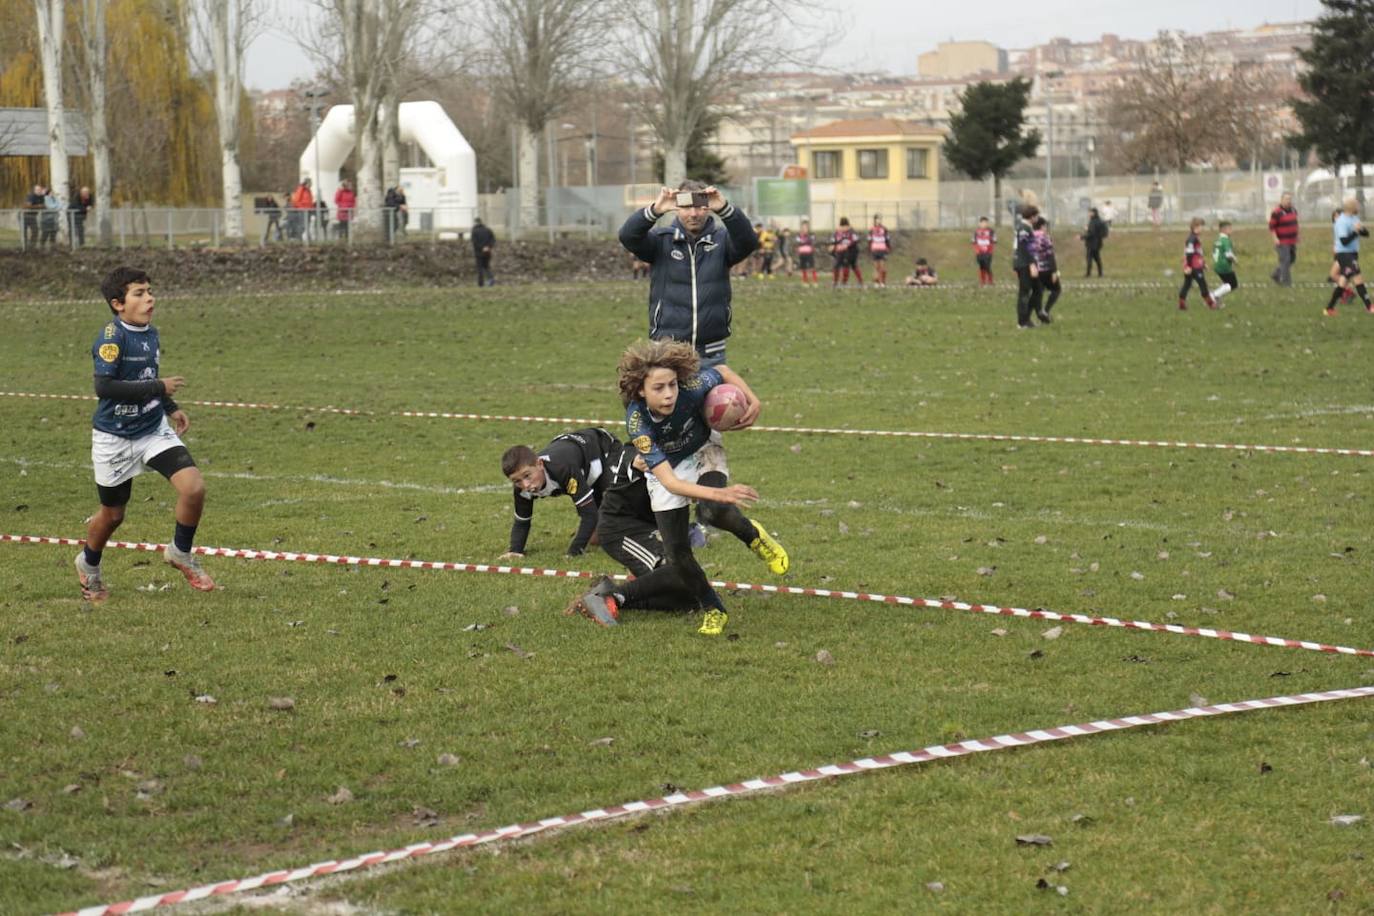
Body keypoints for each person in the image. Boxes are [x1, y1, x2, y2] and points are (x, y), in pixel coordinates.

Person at [566, 339, 788, 636]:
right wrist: (721, 492)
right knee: (678, 553)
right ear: (640, 390)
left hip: (702, 451)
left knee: (713, 511)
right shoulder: (638, 424)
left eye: (672, 384)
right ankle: (713, 609)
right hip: (667, 468)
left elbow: (722, 370)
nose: (669, 394)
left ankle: (754, 537)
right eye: (659, 388)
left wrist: (754, 400)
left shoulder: (692, 387)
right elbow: (670, 482)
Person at [74, 267, 215, 602]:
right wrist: (159, 387)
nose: (149, 298)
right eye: (139, 293)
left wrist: (169, 404)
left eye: (149, 291)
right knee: (112, 515)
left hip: (152, 430)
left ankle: (180, 552)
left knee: (193, 488)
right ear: (117, 303)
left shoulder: (150, 334)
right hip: (115, 438)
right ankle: (88, 565)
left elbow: (148, 375)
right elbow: (104, 387)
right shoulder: (112, 337)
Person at [618, 179, 758, 367]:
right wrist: (655, 210)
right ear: (677, 208)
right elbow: (628, 236)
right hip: (667, 348)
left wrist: (724, 208)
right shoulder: (661, 241)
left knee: (715, 397)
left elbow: (748, 241)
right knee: (670, 398)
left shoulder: (722, 241)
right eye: (686, 207)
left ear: (708, 208)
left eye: (700, 207)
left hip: (711, 351)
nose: (693, 214)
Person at [498, 428, 638, 562]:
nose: (526, 485)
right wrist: (515, 550)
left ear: (539, 464)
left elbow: (589, 515)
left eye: (527, 476)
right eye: (517, 481)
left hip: (604, 448)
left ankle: (649, 526)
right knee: (596, 538)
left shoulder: (563, 469)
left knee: (615, 505)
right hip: (579, 460)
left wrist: (573, 552)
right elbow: (522, 521)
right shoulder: (521, 488)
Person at [1324, 197, 1372, 316]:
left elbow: (1366, 234)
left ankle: (1329, 309)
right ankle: (1370, 306)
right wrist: (1355, 232)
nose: (1359, 206)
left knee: (1342, 282)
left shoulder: (1354, 218)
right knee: (1358, 278)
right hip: (1344, 254)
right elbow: (1344, 241)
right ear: (1351, 207)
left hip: (1353, 254)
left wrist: (1360, 230)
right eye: (1356, 204)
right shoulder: (1341, 221)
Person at [1178, 217, 1217, 311]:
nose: (1202, 229)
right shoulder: (1192, 239)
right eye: (1201, 226)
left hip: (1194, 265)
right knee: (1202, 284)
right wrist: (1189, 266)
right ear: (1195, 227)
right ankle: (1211, 304)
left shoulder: (1194, 238)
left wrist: (1203, 264)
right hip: (1194, 267)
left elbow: (1197, 253)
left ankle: (1181, 304)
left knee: (1187, 284)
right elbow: (1189, 253)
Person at [1012, 204, 1041, 329]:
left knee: (1037, 290)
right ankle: (1022, 322)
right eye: (1036, 216)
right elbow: (1023, 248)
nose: (1037, 218)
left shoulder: (1027, 227)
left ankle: (1026, 318)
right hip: (1024, 264)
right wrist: (1031, 265)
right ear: (1032, 217)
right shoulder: (1024, 228)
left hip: (1025, 263)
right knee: (1024, 293)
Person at [1031, 216, 1061, 322]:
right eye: (1045, 226)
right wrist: (1054, 271)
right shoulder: (1045, 237)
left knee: (1038, 292)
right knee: (1057, 290)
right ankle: (1045, 311)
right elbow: (1050, 254)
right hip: (1046, 268)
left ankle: (1038, 313)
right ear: (1042, 226)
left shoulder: (1029, 236)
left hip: (1034, 269)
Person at [1268, 191, 1298, 287]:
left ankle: (1276, 274)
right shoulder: (1276, 212)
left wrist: (1297, 234)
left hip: (1292, 240)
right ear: (1281, 200)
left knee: (1292, 259)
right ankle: (1287, 283)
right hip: (1282, 240)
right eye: (1286, 199)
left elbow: (1294, 223)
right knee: (1285, 260)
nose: (1288, 201)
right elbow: (1272, 227)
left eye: (1289, 199)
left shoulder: (1293, 210)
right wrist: (1275, 238)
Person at [829, 216, 862, 288]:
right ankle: (835, 282)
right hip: (841, 251)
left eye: (845, 226)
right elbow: (833, 241)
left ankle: (849, 281)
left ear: (848, 226)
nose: (844, 228)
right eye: (842, 226)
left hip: (852, 251)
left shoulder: (852, 232)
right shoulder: (837, 233)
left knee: (851, 265)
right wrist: (832, 246)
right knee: (836, 265)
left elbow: (855, 240)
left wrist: (847, 245)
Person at [1210, 220, 1238, 305]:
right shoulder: (1225, 240)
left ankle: (1216, 298)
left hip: (1217, 265)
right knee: (1233, 284)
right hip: (1224, 266)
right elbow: (1228, 254)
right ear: (1224, 229)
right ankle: (1213, 295)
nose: (1231, 231)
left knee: (1227, 284)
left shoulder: (1218, 239)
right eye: (1230, 229)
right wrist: (1235, 260)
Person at [868, 214, 892, 287]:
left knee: (882, 267)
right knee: (876, 267)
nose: (879, 221)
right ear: (874, 220)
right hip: (875, 249)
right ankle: (876, 281)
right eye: (877, 219)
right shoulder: (871, 229)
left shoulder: (884, 229)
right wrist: (870, 248)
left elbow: (887, 239)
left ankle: (882, 281)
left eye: (880, 219)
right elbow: (869, 239)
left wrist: (888, 247)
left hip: (882, 248)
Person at [1081, 207, 1106, 277]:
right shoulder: (1099, 221)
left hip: (1091, 243)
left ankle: (1088, 274)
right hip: (1098, 243)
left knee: (1089, 259)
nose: (1089, 214)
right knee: (1097, 258)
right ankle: (1100, 273)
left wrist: (1082, 237)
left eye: (1090, 212)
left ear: (1093, 213)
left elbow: (1091, 233)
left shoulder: (1093, 222)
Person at [471, 216, 496, 286]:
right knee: (486, 266)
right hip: (487, 252)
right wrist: (488, 247)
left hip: (479, 252)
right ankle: (491, 279)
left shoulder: (474, 231)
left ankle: (480, 283)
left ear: (475, 223)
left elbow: (474, 242)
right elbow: (493, 240)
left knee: (480, 268)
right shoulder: (488, 230)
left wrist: (481, 248)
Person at [972, 216, 996, 286]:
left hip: (988, 253)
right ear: (979, 223)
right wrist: (977, 251)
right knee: (981, 267)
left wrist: (990, 251)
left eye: (985, 223)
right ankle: (982, 281)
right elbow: (974, 242)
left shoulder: (991, 231)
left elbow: (993, 241)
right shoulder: (976, 232)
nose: (984, 224)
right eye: (982, 223)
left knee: (987, 266)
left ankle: (990, 281)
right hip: (979, 253)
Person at [795, 219, 818, 287]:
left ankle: (815, 281)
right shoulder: (798, 235)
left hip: (809, 253)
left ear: (808, 227)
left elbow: (811, 241)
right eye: (803, 227)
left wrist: (805, 241)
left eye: (806, 227)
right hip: (802, 253)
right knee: (803, 268)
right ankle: (805, 282)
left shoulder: (811, 234)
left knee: (812, 267)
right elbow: (798, 242)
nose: (804, 229)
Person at [22, 184, 44, 249]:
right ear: (34, 190)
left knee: (35, 231)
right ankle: (24, 247)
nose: (39, 191)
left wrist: (43, 206)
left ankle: (32, 246)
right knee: (24, 232)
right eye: (38, 190)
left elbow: (43, 205)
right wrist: (38, 206)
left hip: (33, 216)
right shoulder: (31, 196)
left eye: (40, 189)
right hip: (25, 216)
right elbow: (27, 206)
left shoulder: (41, 197)